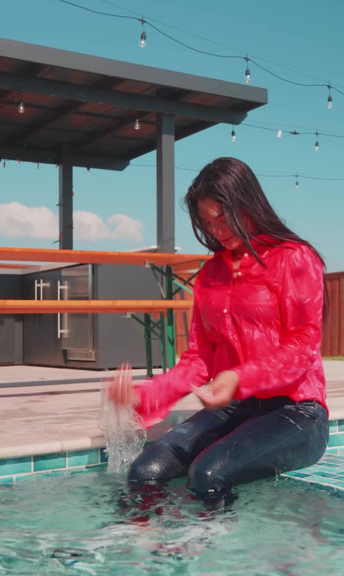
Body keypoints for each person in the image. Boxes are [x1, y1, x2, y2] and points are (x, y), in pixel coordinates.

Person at [107, 156, 329, 503]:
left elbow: (303, 346)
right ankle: (145, 550)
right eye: (208, 223)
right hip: (234, 409)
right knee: (143, 472)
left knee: (208, 474)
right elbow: (198, 359)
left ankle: (214, 553)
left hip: (296, 413)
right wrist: (146, 395)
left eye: (223, 219)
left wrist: (238, 379)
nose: (217, 231)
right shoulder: (211, 274)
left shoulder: (295, 258)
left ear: (249, 204)